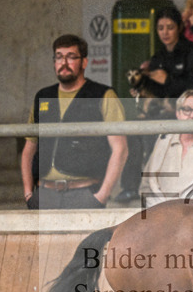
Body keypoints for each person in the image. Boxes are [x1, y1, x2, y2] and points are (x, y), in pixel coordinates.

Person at [20, 34, 128, 209]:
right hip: (44, 194)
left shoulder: (103, 95)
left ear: (84, 62)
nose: (64, 63)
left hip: (84, 194)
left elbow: (120, 149)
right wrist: (28, 193)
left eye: (71, 57)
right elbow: (28, 150)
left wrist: (102, 195)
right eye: (59, 57)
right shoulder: (43, 96)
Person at [138, 90, 193, 207]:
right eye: (186, 110)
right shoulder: (163, 141)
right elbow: (146, 185)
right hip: (159, 213)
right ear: (178, 113)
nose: (192, 116)